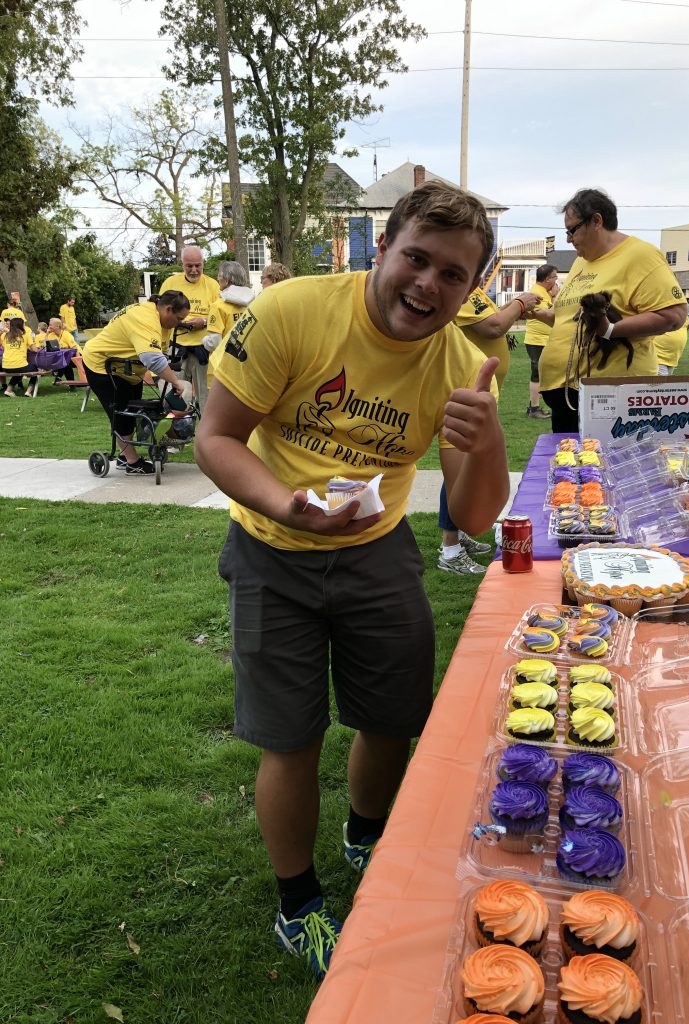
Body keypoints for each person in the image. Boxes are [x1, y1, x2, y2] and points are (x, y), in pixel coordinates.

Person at [196, 180, 510, 978]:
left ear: (474, 288)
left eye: (453, 275)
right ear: (385, 248)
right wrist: (286, 507)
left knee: (391, 718)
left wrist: (487, 439)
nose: (427, 285)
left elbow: (475, 517)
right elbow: (216, 439)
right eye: (416, 259)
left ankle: (366, 839)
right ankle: (297, 904)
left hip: (379, 553)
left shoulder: (464, 364)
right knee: (289, 737)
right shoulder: (293, 311)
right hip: (271, 549)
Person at [533, 188, 688, 432]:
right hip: (567, 393)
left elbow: (673, 316)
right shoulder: (581, 261)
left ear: (596, 221)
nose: (568, 239)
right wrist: (537, 312)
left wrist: (610, 330)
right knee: (573, 466)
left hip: (608, 396)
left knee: (604, 466)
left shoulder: (640, 256)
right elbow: (570, 320)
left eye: (572, 230)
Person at [437, 284, 541, 574]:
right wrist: (520, 303)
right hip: (463, 390)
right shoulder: (460, 289)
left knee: (464, 470)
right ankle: (449, 549)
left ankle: (455, 535)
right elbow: (493, 327)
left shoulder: (476, 290)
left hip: (476, 390)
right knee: (458, 471)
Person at [82, 292, 190, 474]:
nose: (179, 322)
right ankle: (132, 462)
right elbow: (153, 359)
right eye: (179, 318)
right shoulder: (144, 317)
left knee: (133, 412)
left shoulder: (163, 320)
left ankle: (125, 457)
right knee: (121, 413)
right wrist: (175, 382)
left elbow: (158, 352)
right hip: (102, 365)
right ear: (168, 309)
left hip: (129, 368)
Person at [159, 246, 220, 412]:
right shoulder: (170, 283)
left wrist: (205, 321)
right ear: (182, 264)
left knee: (207, 399)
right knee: (174, 393)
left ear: (203, 264)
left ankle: (205, 433)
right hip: (177, 347)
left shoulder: (212, 285)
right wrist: (180, 322)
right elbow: (161, 313)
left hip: (204, 348)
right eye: (189, 266)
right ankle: (175, 433)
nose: (194, 270)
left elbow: (220, 315)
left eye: (198, 266)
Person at [524, 264, 558, 418]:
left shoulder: (544, 292)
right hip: (537, 340)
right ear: (547, 279)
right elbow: (550, 313)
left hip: (544, 339)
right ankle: (534, 409)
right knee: (536, 373)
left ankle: (534, 406)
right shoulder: (537, 293)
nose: (557, 280)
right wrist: (556, 297)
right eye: (555, 276)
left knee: (542, 373)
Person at [202, 260, 256, 360]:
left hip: (223, 365)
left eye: (219, 276)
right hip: (247, 361)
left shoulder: (218, 306)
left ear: (226, 280)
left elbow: (214, 343)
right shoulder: (254, 302)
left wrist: (204, 340)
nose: (217, 279)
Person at [654, 300, 689, 375]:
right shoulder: (662, 309)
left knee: (665, 384)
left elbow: (684, 328)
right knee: (661, 384)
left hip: (672, 358)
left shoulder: (681, 313)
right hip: (658, 356)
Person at [2, 317, 39, 397]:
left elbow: (5, 348)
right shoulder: (25, 335)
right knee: (35, 369)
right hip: (19, 365)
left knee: (19, 371)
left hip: (5, 366)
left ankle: (8, 390)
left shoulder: (5, 336)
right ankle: (28, 392)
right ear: (20, 325)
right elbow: (35, 350)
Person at [45, 318, 79, 382]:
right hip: (62, 357)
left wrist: (78, 361)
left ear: (57, 326)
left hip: (75, 356)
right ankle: (69, 382)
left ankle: (61, 378)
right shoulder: (51, 335)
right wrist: (46, 334)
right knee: (65, 361)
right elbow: (47, 346)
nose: (49, 327)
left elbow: (75, 348)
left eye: (50, 325)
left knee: (65, 361)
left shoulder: (66, 334)